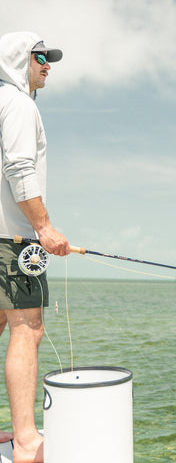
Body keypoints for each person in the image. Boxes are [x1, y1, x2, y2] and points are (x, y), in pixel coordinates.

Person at [0, 32, 70, 463]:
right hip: (14, 240)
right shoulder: (19, 104)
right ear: (17, 59)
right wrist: (43, 226)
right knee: (28, 328)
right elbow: (19, 166)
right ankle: (26, 440)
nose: (48, 65)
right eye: (40, 57)